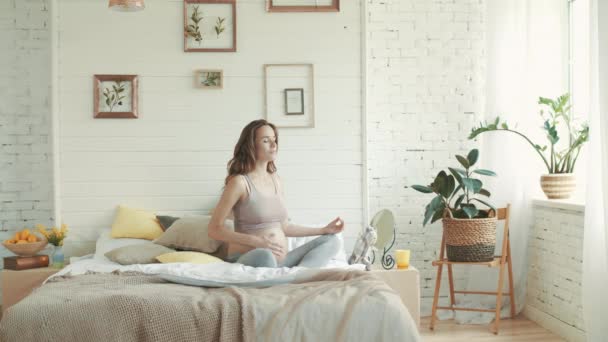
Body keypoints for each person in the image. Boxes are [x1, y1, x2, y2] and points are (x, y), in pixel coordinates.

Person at [208, 119, 345, 268]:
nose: (274, 145)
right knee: (264, 254)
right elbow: (214, 229)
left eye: (275, 140)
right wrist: (256, 242)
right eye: (266, 140)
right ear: (250, 146)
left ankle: (295, 274)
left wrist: (323, 230)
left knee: (331, 241)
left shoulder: (276, 180)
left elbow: (285, 227)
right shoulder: (239, 183)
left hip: (280, 263)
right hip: (249, 259)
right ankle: (297, 276)